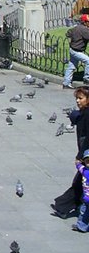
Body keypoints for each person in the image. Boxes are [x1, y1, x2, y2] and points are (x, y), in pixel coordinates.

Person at [52, 85, 89, 218]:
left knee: (81, 181)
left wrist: (81, 156)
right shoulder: (84, 112)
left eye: (80, 98)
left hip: (86, 152)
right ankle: (63, 205)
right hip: (85, 152)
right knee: (81, 180)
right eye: (77, 99)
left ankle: (63, 205)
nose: (78, 101)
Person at [63, 15, 89, 88]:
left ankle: (66, 83)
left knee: (71, 66)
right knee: (88, 61)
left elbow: (68, 33)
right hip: (77, 51)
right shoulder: (84, 30)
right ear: (84, 22)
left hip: (72, 49)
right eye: (88, 22)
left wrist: (71, 41)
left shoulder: (76, 28)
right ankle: (87, 78)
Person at [73, 149, 89, 233]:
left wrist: (78, 163)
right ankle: (82, 226)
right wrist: (78, 164)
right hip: (86, 198)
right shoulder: (85, 171)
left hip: (87, 198)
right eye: (87, 161)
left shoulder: (86, 173)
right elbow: (80, 167)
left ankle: (82, 226)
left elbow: (80, 167)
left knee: (84, 213)